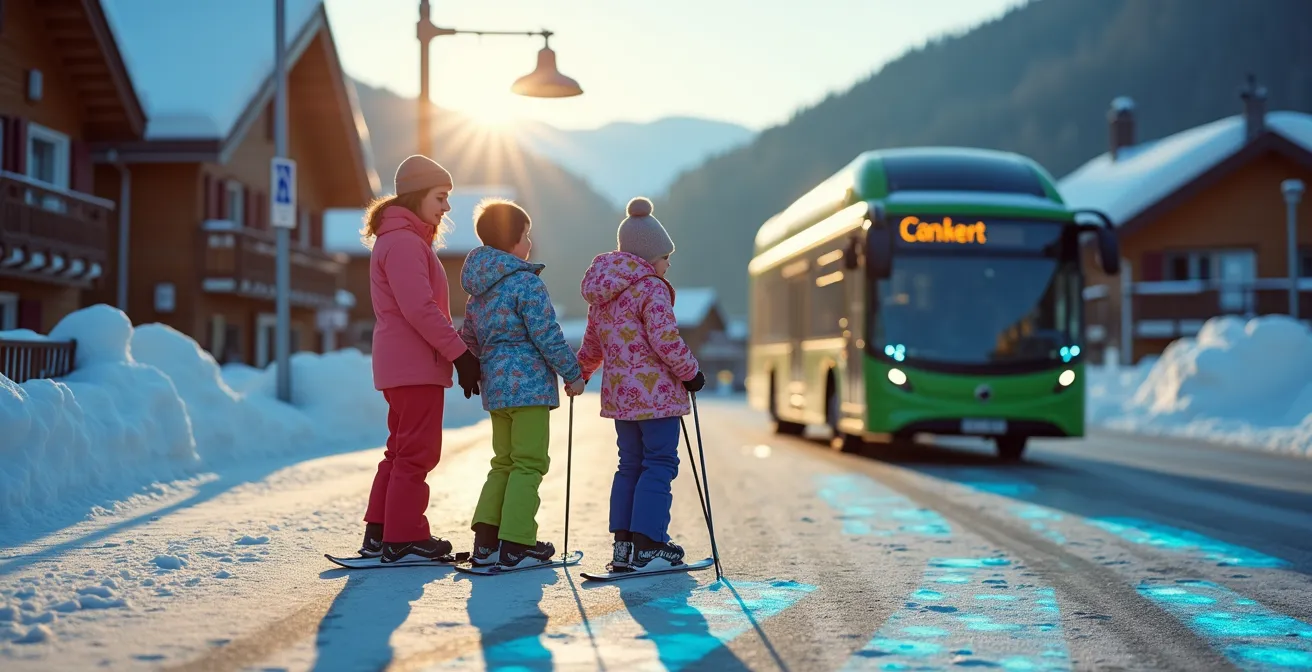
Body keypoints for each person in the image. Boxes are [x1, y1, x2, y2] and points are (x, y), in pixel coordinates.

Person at [358, 155, 482, 564]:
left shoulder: (397, 239)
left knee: (400, 450)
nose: (447, 207)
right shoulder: (406, 243)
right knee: (417, 452)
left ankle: (380, 532)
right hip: (414, 365)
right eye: (441, 197)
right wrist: (461, 354)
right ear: (417, 195)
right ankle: (405, 536)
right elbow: (420, 309)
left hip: (402, 363)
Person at [576, 197, 706, 572]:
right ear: (650, 257)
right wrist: (690, 373)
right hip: (657, 398)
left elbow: (593, 343)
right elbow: (666, 340)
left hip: (621, 397)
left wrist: (581, 374)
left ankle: (625, 547)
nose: (668, 264)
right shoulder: (651, 287)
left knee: (629, 464)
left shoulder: (604, 292)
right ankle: (649, 544)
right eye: (666, 257)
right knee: (659, 462)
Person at [459, 199, 586, 569]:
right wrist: (572, 373)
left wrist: (475, 367)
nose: (530, 242)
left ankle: (486, 542)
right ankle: (516, 542)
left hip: (497, 390)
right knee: (529, 463)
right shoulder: (526, 283)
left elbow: (470, 338)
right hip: (529, 388)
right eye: (526, 235)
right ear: (514, 241)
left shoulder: (477, 290)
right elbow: (546, 333)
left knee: (503, 461)